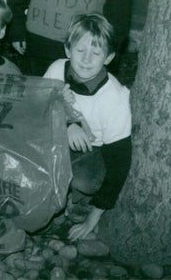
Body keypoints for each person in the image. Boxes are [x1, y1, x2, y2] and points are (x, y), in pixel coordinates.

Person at [43, 13, 131, 241]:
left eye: (96, 53)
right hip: (58, 135)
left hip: (93, 150)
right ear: (67, 50)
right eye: (80, 51)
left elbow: (120, 161)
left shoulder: (113, 99)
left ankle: (79, 197)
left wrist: (94, 218)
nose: (86, 59)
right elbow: (38, 107)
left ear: (109, 57)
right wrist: (68, 124)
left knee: (87, 180)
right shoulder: (56, 69)